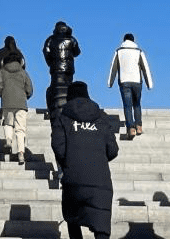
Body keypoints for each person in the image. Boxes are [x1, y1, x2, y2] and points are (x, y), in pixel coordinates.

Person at [51, 81, 118, 239]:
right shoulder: (101, 118)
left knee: (72, 216)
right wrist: (98, 159)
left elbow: (58, 146)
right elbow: (113, 149)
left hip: (73, 178)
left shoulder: (64, 117)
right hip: (100, 180)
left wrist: (69, 161)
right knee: (101, 225)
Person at [107, 33, 154, 137]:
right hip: (137, 81)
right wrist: (149, 84)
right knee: (137, 104)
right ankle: (139, 126)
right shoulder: (139, 51)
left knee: (127, 105)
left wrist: (110, 83)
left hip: (124, 82)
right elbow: (145, 68)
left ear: (124, 41)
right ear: (133, 41)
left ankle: (131, 128)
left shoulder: (119, 51)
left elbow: (113, 68)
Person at [0, 48, 34, 164]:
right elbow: (29, 88)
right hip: (21, 103)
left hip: (7, 102)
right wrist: (26, 96)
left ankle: (8, 140)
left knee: (8, 123)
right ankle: (21, 152)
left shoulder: (2, 71)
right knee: (20, 129)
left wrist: (3, 95)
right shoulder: (23, 72)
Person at [43, 21, 80, 119]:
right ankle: (68, 109)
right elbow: (77, 52)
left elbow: (46, 52)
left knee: (56, 89)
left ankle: (55, 110)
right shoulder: (71, 39)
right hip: (69, 69)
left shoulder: (50, 39)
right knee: (68, 89)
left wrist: (50, 63)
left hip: (56, 69)